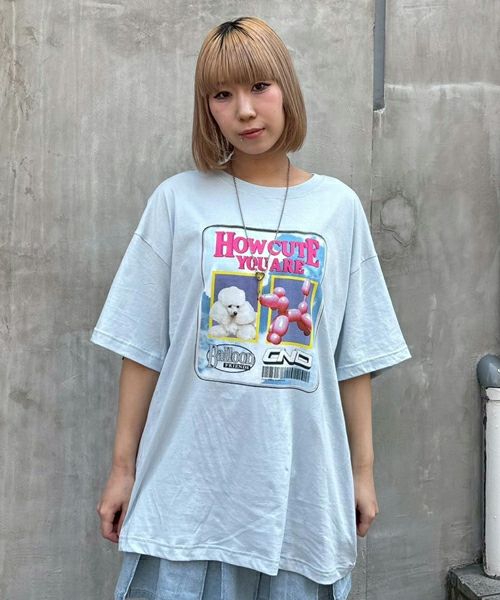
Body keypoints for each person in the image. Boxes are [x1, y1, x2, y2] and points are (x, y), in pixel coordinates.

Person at [91, 15, 411, 600]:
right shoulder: (177, 202)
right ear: (207, 108)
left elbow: (355, 358)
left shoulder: (337, 208)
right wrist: (122, 468)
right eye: (222, 94)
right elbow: (141, 347)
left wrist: (361, 474)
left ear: (286, 88)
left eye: (260, 87)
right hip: (187, 496)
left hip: (299, 497)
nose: (244, 110)